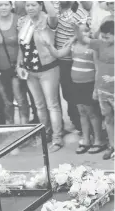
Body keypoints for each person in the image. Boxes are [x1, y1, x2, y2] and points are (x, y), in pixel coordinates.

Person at [44, 23, 106, 155]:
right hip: (76, 83)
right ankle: (86, 139)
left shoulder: (93, 46)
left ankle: (99, 140)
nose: (81, 34)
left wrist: (96, 88)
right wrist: (48, 45)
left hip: (88, 84)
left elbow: (98, 68)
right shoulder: (73, 45)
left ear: (90, 33)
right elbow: (59, 54)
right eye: (80, 31)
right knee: (82, 112)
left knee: (92, 113)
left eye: (85, 31)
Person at [17, 1, 63, 152]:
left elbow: (53, 15)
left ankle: (57, 139)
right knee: (39, 106)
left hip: (48, 69)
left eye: (34, 5)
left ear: (40, 6)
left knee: (52, 105)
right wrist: (19, 64)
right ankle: (46, 134)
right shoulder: (24, 21)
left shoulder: (47, 19)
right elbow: (21, 46)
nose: (30, 8)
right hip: (30, 71)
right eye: (28, 5)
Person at [75, 20, 114, 160]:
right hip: (103, 90)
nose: (103, 39)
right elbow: (83, 39)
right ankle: (112, 146)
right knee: (108, 119)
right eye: (102, 36)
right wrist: (75, 28)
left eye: (107, 37)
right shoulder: (99, 43)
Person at [0, 1, 29, 125]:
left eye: (6, 4)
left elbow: (22, 44)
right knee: (6, 102)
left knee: (21, 99)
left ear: (11, 6)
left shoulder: (19, 20)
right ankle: (11, 129)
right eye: (0, 5)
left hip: (15, 67)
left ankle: (25, 129)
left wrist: (19, 64)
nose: (3, 7)